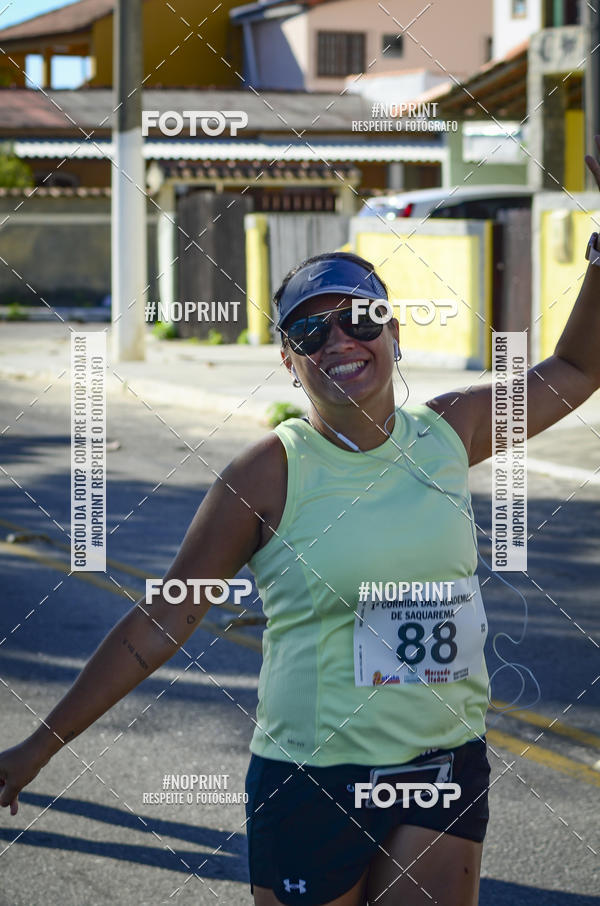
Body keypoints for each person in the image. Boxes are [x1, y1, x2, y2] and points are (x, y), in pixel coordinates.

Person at [2, 144, 600, 906]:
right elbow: (158, 625)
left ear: (393, 332)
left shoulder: (452, 431)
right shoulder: (267, 475)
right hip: (310, 777)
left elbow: (577, 370)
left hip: (441, 763)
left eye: (359, 318)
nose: (340, 341)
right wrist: (35, 750)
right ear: (289, 362)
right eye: (310, 334)